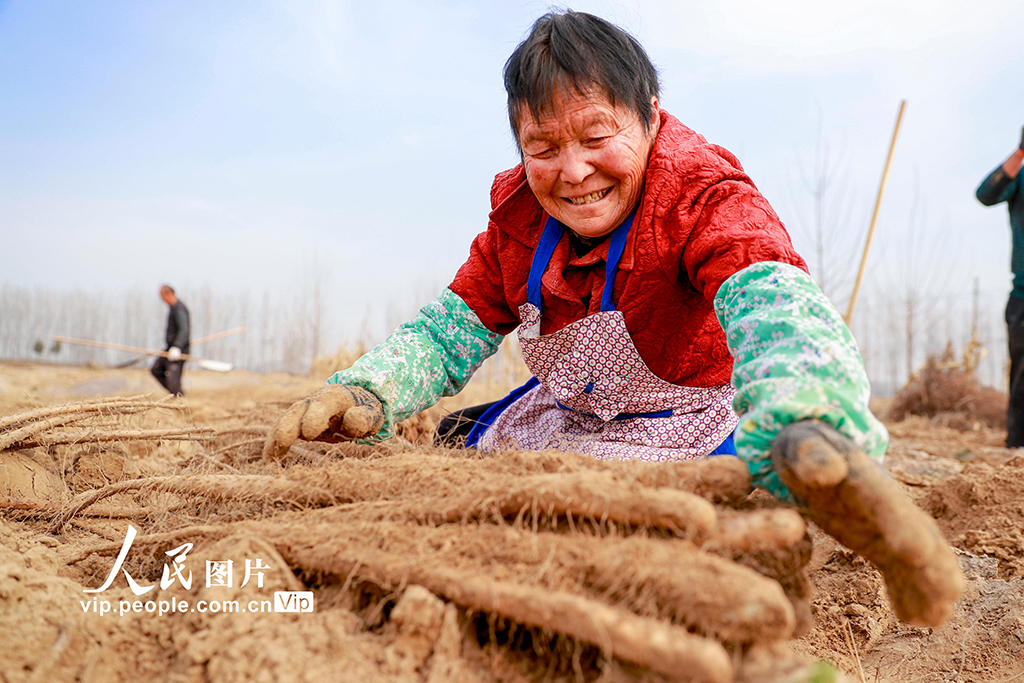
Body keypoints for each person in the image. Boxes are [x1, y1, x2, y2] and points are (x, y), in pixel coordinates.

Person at [977, 127, 1024, 447]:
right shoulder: (1018, 177)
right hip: (1023, 294)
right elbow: (986, 194)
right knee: (1022, 377)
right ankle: (1018, 445)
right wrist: (1020, 152)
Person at [151, 285, 190, 396]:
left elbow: (184, 329)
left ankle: (180, 400)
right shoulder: (174, 308)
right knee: (156, 369)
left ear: (169, 294)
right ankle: (175, 395)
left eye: (162, 297)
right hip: (170, 349)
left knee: (173, 380)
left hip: (178, 350)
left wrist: (177, 346)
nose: (162, 300)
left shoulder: (179, 309)